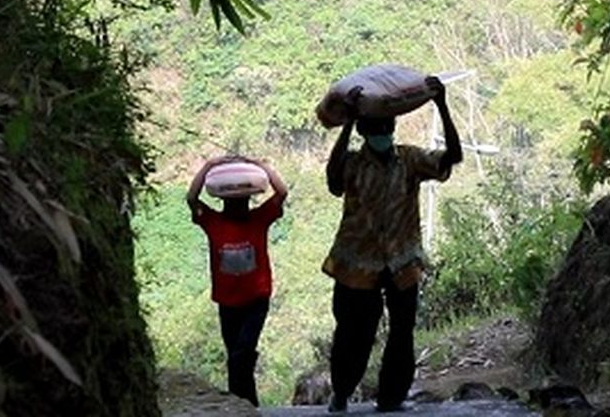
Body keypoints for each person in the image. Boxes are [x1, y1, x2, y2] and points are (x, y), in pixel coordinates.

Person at [322, 77, 462, 413]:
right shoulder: (354, 164)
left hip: (401, 261)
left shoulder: (409, 160)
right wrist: (348, 124)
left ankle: (391, 398)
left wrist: (441, 104)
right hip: (358, 262)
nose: (384, 132)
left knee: (402, 331)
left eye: (388, 126)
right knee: (354, 333)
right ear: (364, 133)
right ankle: (341, 391)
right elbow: (332, 180)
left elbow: (452, 156)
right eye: (377, 127)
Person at [187, 155, 288, 407]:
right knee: (236, 357)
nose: (239, 206)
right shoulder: (213, 222)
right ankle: (245, 406)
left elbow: (282, 192)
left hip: (256, 300)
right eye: (234, 202)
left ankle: (242, 406)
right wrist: (209, 166)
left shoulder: (258, 219)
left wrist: (261, 164)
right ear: (223, 202)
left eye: (243, 201)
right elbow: (191, 199)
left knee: (240, 355)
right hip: (227, 303)